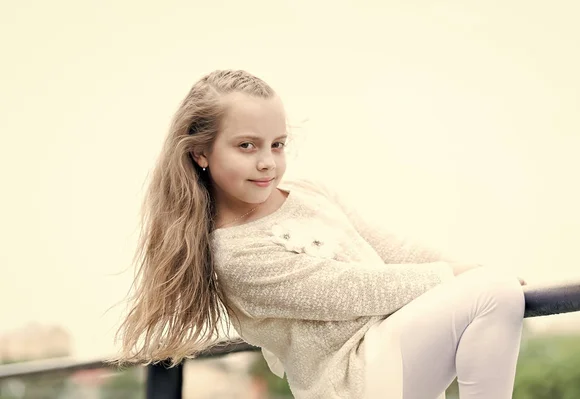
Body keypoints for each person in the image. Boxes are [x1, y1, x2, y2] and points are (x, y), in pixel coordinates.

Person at [113, 69, 527, 399]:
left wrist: (474, 269)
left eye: (277, 144)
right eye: (246, 146)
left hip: (395, 351)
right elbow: (357, 292)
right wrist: (464, 278)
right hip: (351, 382)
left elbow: (391, 248)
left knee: (494, 290)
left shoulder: (308, 192)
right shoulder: (236, 253)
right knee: (495, 293)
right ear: (201, 152)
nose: (267, 162)